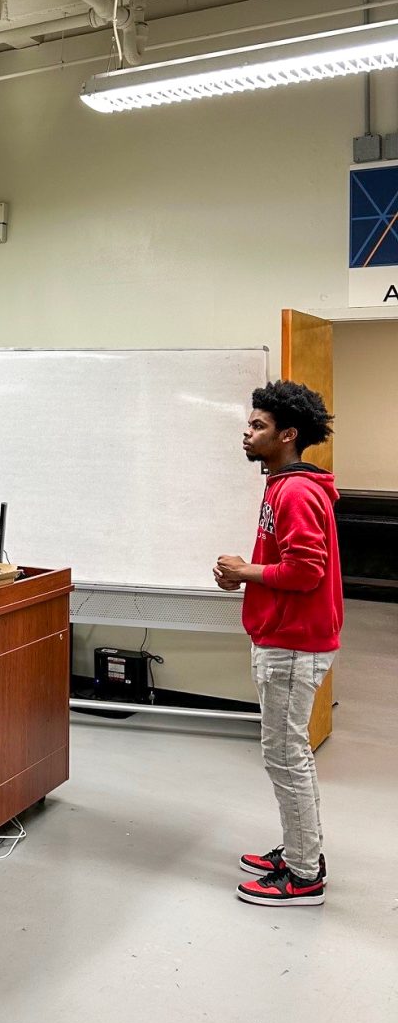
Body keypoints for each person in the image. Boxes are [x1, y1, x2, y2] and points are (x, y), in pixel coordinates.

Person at [214, 380, 342, 908]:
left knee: (286, 757)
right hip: (285, 638)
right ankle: (299, 850)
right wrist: (247, 576)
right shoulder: (282, 484)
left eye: (259, 426)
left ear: (287, 435)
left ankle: (305, 875)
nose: (247, 432)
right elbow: (286, 565)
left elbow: (305, 570)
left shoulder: (295, 491)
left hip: (293, 645)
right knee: (285, 756)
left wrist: (248, 571)